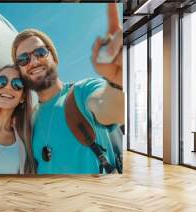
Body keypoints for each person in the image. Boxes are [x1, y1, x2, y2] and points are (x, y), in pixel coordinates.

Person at [10, 3, 124, 174]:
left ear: (54, 58)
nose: (33, 62)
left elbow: (110, 107)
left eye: (40, 53)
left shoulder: (82, 91)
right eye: (23, 60)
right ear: (20, 71)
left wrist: (117, 83)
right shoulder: (30, 121)